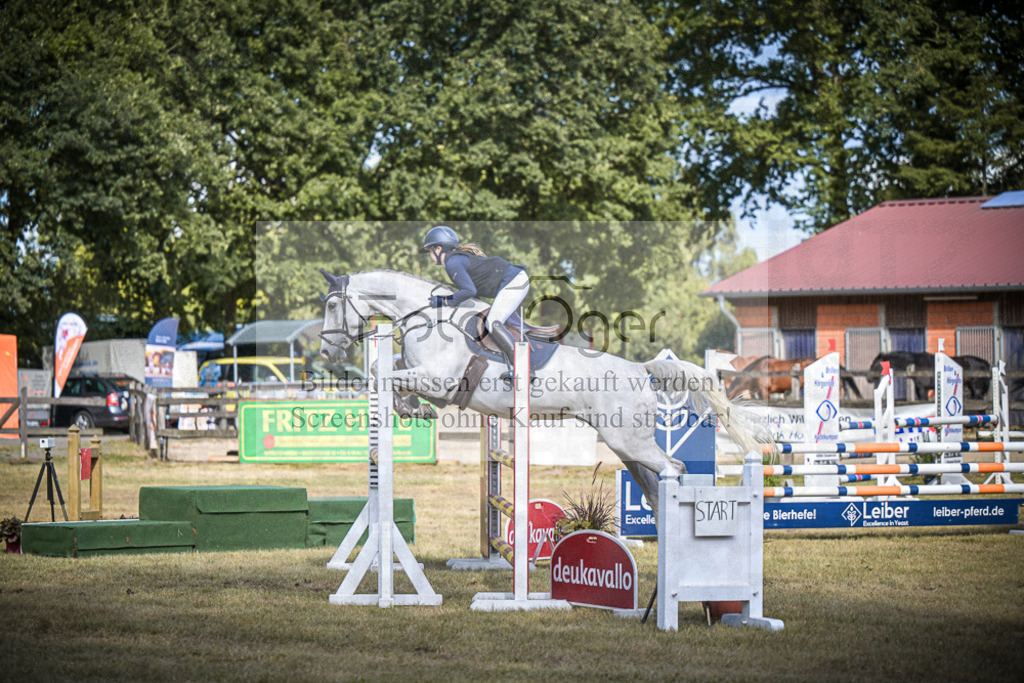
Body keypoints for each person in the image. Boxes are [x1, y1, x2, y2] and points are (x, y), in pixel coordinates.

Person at [421, 225, 529, 379]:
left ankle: (522, 368)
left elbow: (469, 291)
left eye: (429, 251)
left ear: (438, 249)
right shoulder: (455, 259)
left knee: (492, 322)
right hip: (513, 280)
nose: (429, 255)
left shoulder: (452, 263)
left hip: (514, 281)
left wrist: (444, 301)